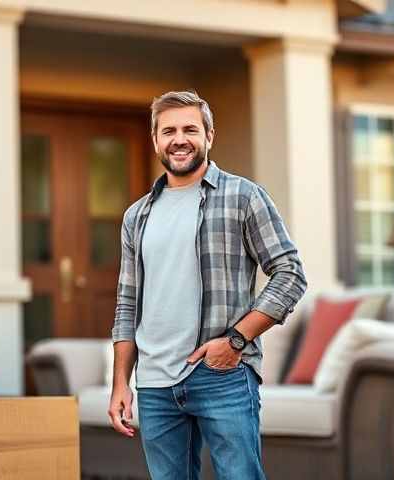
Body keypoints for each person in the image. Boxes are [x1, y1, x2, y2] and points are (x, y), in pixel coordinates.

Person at [107, 90, 307, 479]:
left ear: (209, 136)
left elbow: (290, 273)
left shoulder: (243, 197)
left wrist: (235, 341)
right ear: (156, 140)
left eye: (189, 129)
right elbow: (127, 304)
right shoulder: (137, 216)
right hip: (153, 383)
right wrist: (121, 384)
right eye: (168, 131)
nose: (179, 139)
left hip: (222, 374)